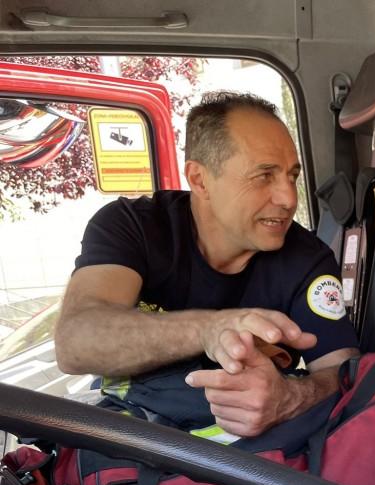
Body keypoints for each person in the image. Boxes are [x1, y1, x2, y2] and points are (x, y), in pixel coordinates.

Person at [53, 91, 358, 438]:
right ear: (199, 179)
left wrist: (291, 397)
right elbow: (74, 343)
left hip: (248, 458)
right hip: (134, 441)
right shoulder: (133, 226)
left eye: (292, 176)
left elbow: (343, 373)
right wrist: (210, 330)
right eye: (264, 176)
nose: (289, 198)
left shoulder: (307, 259)